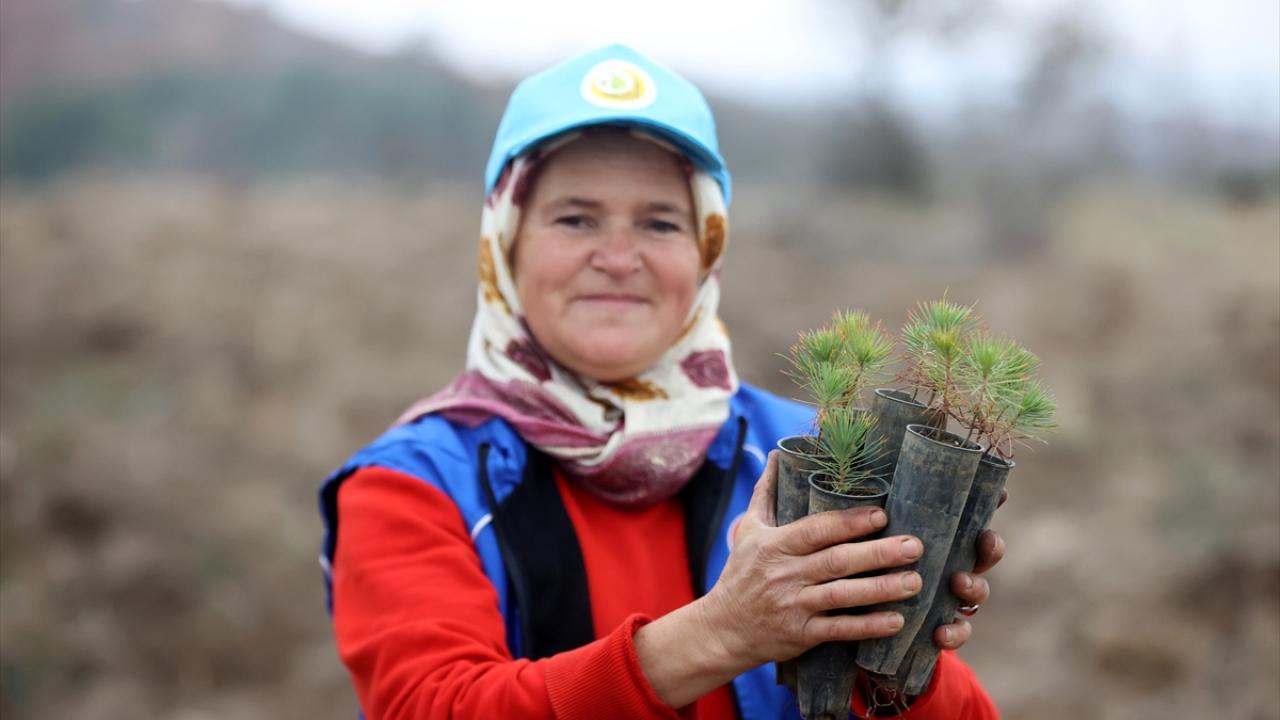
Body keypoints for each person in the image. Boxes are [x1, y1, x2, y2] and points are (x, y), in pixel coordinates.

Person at [318, 44, 1003, 719]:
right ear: (506, 241)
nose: (619, 258)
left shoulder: (808, 456)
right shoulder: (414, 486)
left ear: (706, 249)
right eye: (575, 219)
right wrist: (724, 632)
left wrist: (899, 662)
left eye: (660, 223)